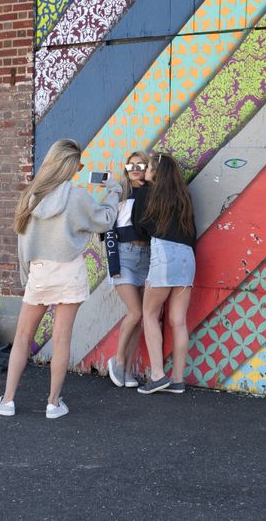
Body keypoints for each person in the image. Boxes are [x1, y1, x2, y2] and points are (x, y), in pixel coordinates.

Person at [0, 139, 122, 418]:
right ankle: (53, 403)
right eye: (78, 166)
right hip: (69, 271)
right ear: (72, 166)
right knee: (61, 340)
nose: (79, 170)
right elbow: (105, 219)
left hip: (40, 271)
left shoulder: (30, 197)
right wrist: (114, 191)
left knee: (23, 337)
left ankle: (7, 400)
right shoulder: (76, 196)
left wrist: (28, 276)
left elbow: (22, 244)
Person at [132, 153, 196, 394]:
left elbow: (141, 225)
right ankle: (178, 379)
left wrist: (140, 189)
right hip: (187, 257)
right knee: (178, 321)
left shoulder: (147, 193)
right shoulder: (183, 195)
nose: (144, 169)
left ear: (156, 171)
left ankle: (158, 375)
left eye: (148, 166)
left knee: (149, 313)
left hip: (164, 254)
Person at [104, 151, 152, 388]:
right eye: (131, 165)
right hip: (124, 254)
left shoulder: (152, 192)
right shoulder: (121, 192)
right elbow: (107, 226)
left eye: (140, 164)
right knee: (136, 312)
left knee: (141, 317)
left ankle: (129, 369)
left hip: (147, 256)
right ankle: (118, 361)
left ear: (148, 167)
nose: (135, 168)